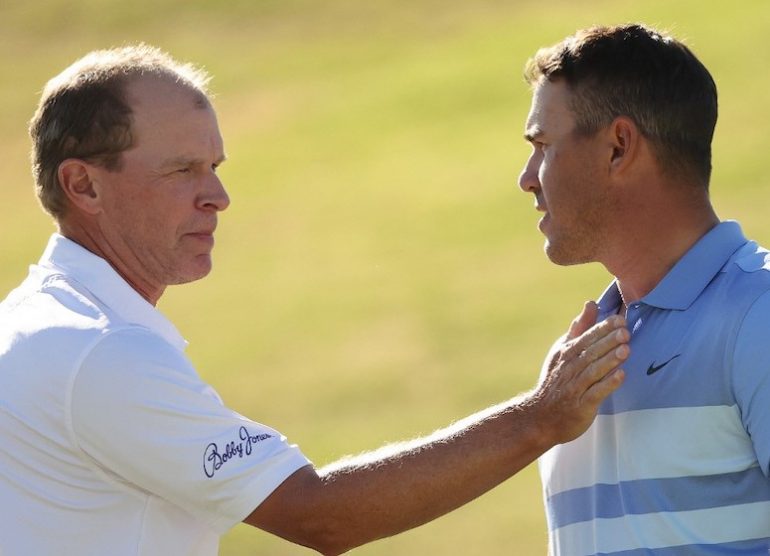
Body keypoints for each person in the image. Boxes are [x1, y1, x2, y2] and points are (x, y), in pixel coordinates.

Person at [0, 45, 628, 556]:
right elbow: (323, 516)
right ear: (82, 184)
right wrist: (540, 416)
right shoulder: (101, 352)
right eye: (181, 171)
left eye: (215, 166)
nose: (217, 196)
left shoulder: (42, 323)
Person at [519, 23, 770, 554]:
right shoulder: (569, 366)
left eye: (542, 144)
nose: (528, 177)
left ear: (618, 147)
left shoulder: (761, 315)